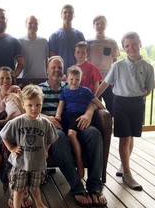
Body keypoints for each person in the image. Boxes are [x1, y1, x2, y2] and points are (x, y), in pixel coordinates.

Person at [39, 56, 107, 207]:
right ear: (47, 70)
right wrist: (47, 118)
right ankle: (77, 187)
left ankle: (95, 186)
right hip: (54, 127)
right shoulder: (39, 89)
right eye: (53, 67)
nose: (56, 70)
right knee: (59, 137)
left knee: (94, 133)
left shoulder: (71, 84)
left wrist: (89, 113)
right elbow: (28, 109)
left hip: (77, 122)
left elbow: (92, 100)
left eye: (59, 67)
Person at [95, 32, 155, 191]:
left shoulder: (148, 67)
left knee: (132, 135)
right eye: (127, 46)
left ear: (140, 43)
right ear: (123, 48)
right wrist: (93, 98)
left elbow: (148, 89)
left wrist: (138, 96)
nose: (131, 48)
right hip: (120, 103)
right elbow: (105, 83)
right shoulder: (117, 65)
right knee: (124, 137)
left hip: (137, 103)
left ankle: (123, 165)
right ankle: (128, 174)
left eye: (134, 44)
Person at [0, 84, 58, 208]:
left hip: (37, 162)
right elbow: (4, 135)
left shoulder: (45, 123)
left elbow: (51, 138)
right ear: (23, 105)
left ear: (42, 104)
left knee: (35, 186)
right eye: (30, 105)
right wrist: (11, 148)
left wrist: (46, 150)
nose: (34, 108)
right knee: (19, 188)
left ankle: (39, 203)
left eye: (38, 105)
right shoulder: (17, 121)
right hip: (21, 161)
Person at [0, 66, 33, 208]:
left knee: (25, 145)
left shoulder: (19, 94)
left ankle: (23, 187)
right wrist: (7, 121)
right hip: (1, 131)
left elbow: (29, 113)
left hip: (22, 128)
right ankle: (14, 189)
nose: (5, 81)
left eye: (8, 78)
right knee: (9, 147)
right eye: (2, 78)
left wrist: (16, 98)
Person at [55, 65, 105, 179]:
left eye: (77, 79)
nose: (74, 82)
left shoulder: (85, 91)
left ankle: (79, 162)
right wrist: (57, 115)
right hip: (67, 116)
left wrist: (104, 109)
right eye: (71, 79)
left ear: (81, 79)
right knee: (54, 132)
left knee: (71, 134)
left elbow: (95, 100)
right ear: (66, 79)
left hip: (78, 117)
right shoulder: (65, 92)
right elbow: (61, 105)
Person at [87, 15, 120, 115]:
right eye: (97, 23)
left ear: (106, 25)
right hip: (93, 80)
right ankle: (98, 130)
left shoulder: (112, 42)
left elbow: (115, 61)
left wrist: (115, 79)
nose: (100, 25)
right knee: (94, 106)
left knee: (112, 106)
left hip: (108, 80)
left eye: (103, 23)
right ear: (93, 26)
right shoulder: (88, 42)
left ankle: (112, 129)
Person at [48, 4, 85, 74]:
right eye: (65, 12)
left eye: (70, 12)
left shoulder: (79, 35)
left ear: (73, 15)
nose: (67, 14)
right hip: (60, 74)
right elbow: (52, 58)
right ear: (61, 15)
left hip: (76, 74)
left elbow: (84, 56)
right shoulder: (54, 36)